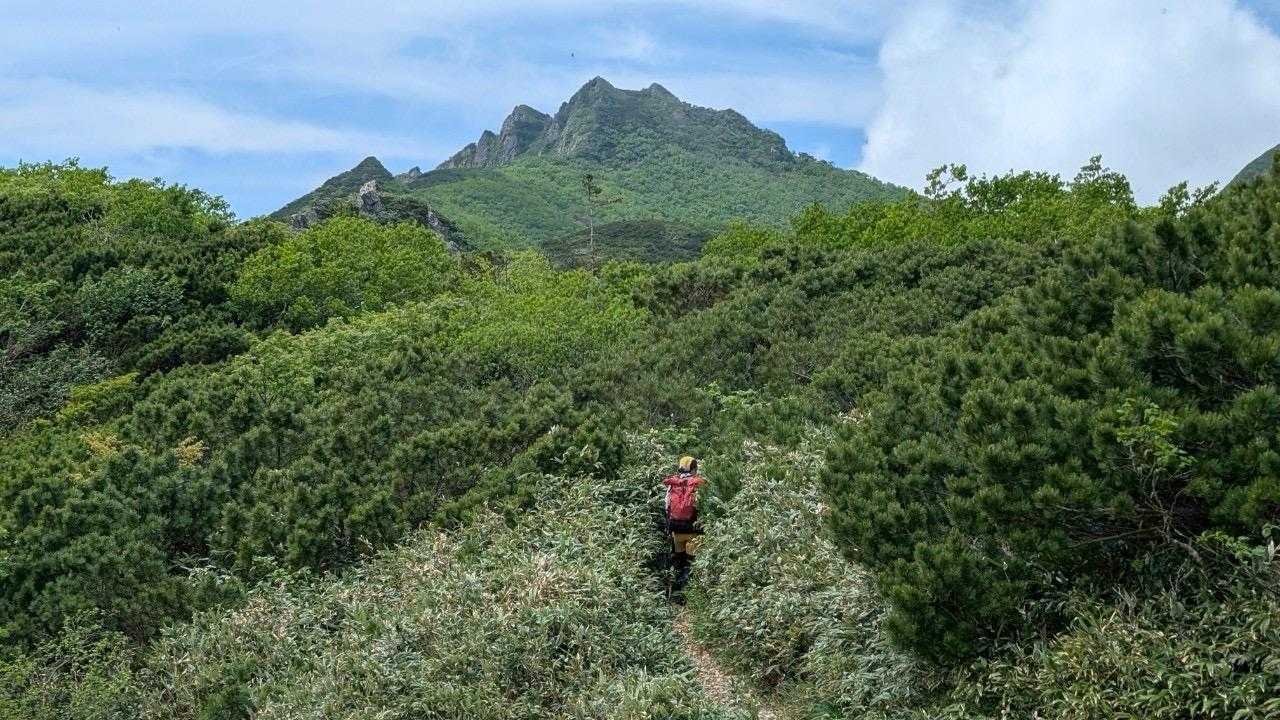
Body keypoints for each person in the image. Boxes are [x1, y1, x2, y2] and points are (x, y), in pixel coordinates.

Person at [663, 455, 704, 598]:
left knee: (678, 562)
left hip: (676, 531)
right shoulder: (698, 484)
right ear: (693, 469)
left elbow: (667, 507)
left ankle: (675, 594)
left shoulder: (673, 484)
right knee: (690, 562)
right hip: (693, 531)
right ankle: (688, 595)